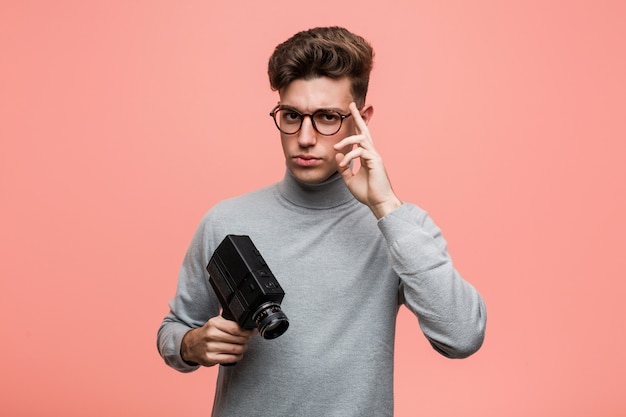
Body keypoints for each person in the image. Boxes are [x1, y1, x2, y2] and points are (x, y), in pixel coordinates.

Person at [157, 26, 486, 417]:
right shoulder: (226, 219)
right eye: (292, 115)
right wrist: (190, 345)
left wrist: (384, 206)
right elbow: (174, 328)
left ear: (362, 121)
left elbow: (462, 336)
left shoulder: (401, 225)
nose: (306, 137)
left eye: (328, 117)